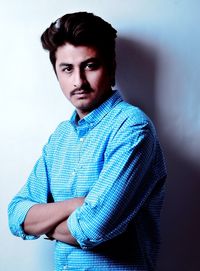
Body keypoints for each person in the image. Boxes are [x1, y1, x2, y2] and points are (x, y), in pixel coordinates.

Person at [8, 11, 167, 271]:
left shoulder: (132, 129)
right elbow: (17, 215)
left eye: (90, 66)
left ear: (111, 67)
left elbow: (93, 228)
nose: (78, 81)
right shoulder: (61, 137)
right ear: (56, 73)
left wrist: (46, 224)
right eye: (67, 69)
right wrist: (76, 205)